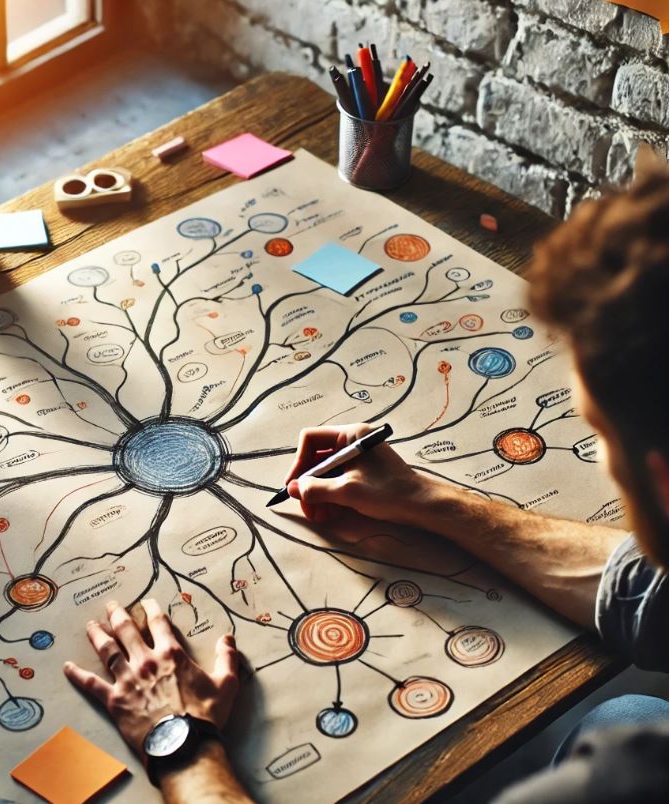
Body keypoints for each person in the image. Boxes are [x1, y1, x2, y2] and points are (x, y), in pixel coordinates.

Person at [63, 157, 668, 802]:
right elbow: (657, 590)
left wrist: (181, 743)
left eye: (598, 430)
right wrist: (432, 501)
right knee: (620, 711)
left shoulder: (623, 779)